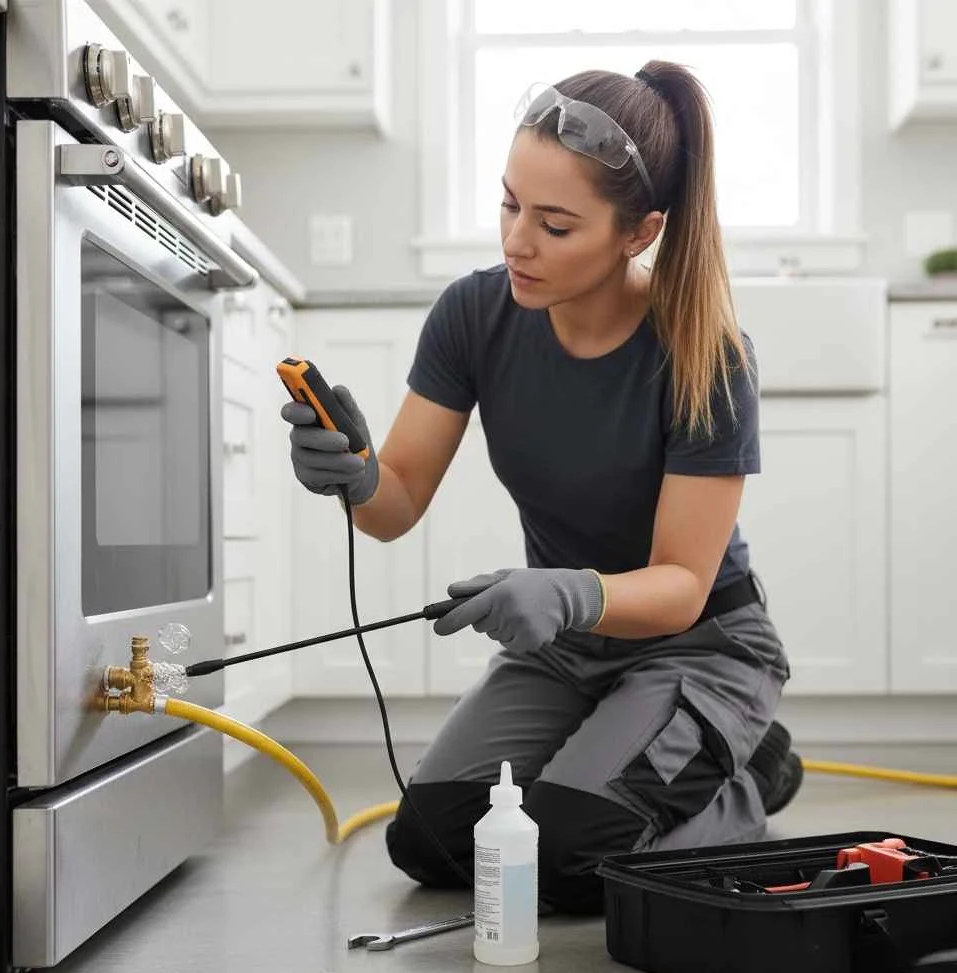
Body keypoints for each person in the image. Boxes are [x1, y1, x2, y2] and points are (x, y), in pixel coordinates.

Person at [281, 60, 801, 914]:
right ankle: (663, 758)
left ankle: (744, 772)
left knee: (568, 853)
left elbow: (679, 586)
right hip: (566, 651)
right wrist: (355, 475)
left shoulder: (707, 355)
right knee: (434, 840)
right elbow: (395, 503)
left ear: (638, 234)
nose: (517, 242)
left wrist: (564, 592)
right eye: (509, 204)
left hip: (700, 646)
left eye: (556, 225)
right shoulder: (474, 316)